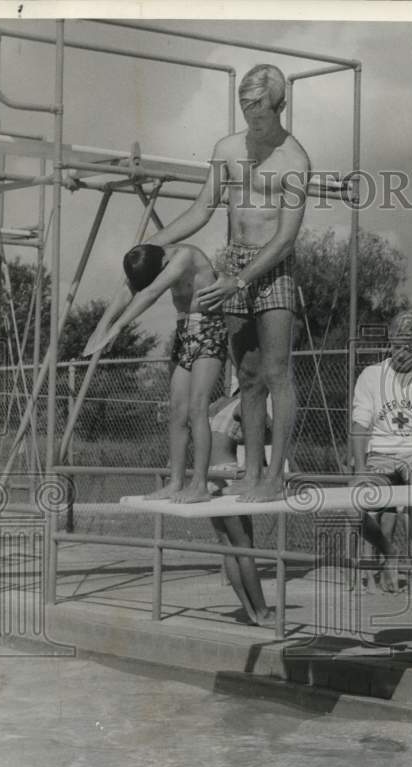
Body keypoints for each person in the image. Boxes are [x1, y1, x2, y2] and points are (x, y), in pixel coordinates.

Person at [139, 63, 309, 503]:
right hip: (232, 262)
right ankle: (250, 473)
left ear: (281, 105)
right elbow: (201, 209)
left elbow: (287, 238)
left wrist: (241, 280)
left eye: (261, 110)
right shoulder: (228, 149)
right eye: (246, 108)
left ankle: (274, 477)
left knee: (277, 373)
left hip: (271, 266)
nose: (252, 118)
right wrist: (152, 243)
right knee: (247, 378)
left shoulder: (294, 160)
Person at [85, 243, 227, 504]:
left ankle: (200, 485)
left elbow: (150, 293)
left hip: (210, 329)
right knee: (177, 411)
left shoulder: (185, 256)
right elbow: (132, 290)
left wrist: (117, 328)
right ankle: (175, 482)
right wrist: (101, 326)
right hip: (184, 332)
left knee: (197, 408)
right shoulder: (150, 258)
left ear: (162, 266)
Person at [351, 310, 412, 594]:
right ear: (390, 340)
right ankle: (390, 552)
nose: (403, 353)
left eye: (411, 347)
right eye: (399, 345)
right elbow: (359, 422)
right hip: (380, 454)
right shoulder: (371, 375)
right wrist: (360, 468)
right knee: (358, 505)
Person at [206, 395, 273, 624]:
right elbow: (264, 437)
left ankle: (250, 610)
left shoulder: (221, 403)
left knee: (229, 548)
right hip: (227, 472)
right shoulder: (249, 402)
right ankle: (262, 611)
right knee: (245, 549)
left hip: (209, 474)